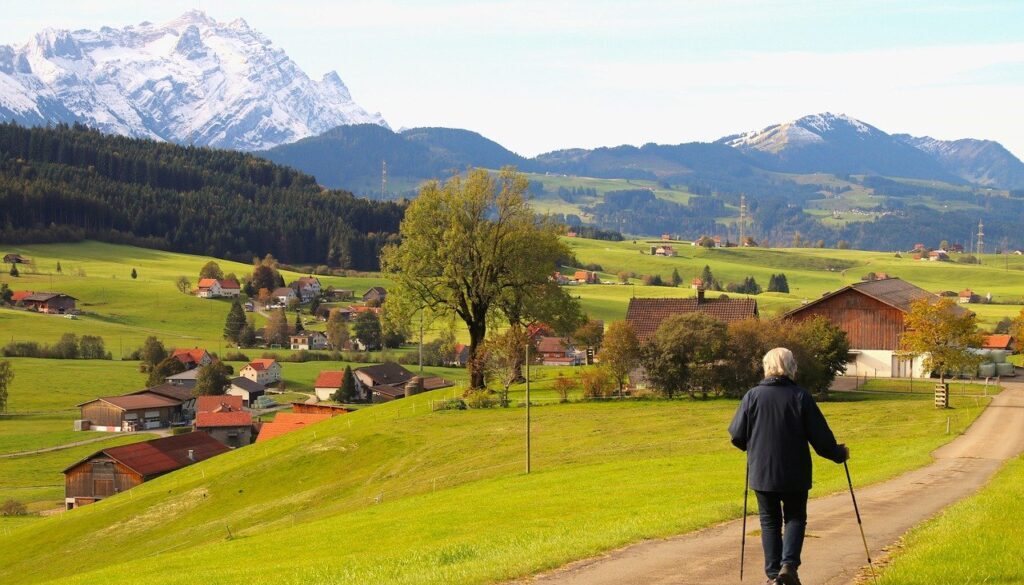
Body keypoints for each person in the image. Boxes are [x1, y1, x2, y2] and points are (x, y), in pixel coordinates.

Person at [728, 347, 849, 585]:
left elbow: (736, 435)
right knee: (794, 518)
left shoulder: (752, 396)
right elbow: (821, 439)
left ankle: (774, 575)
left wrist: (752, 449)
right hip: (795, 472)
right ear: (791, 367)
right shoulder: (800, 396)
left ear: (767, 367)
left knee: (769, 521)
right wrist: (838, 454)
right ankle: (789, 567)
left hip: (762, 472)